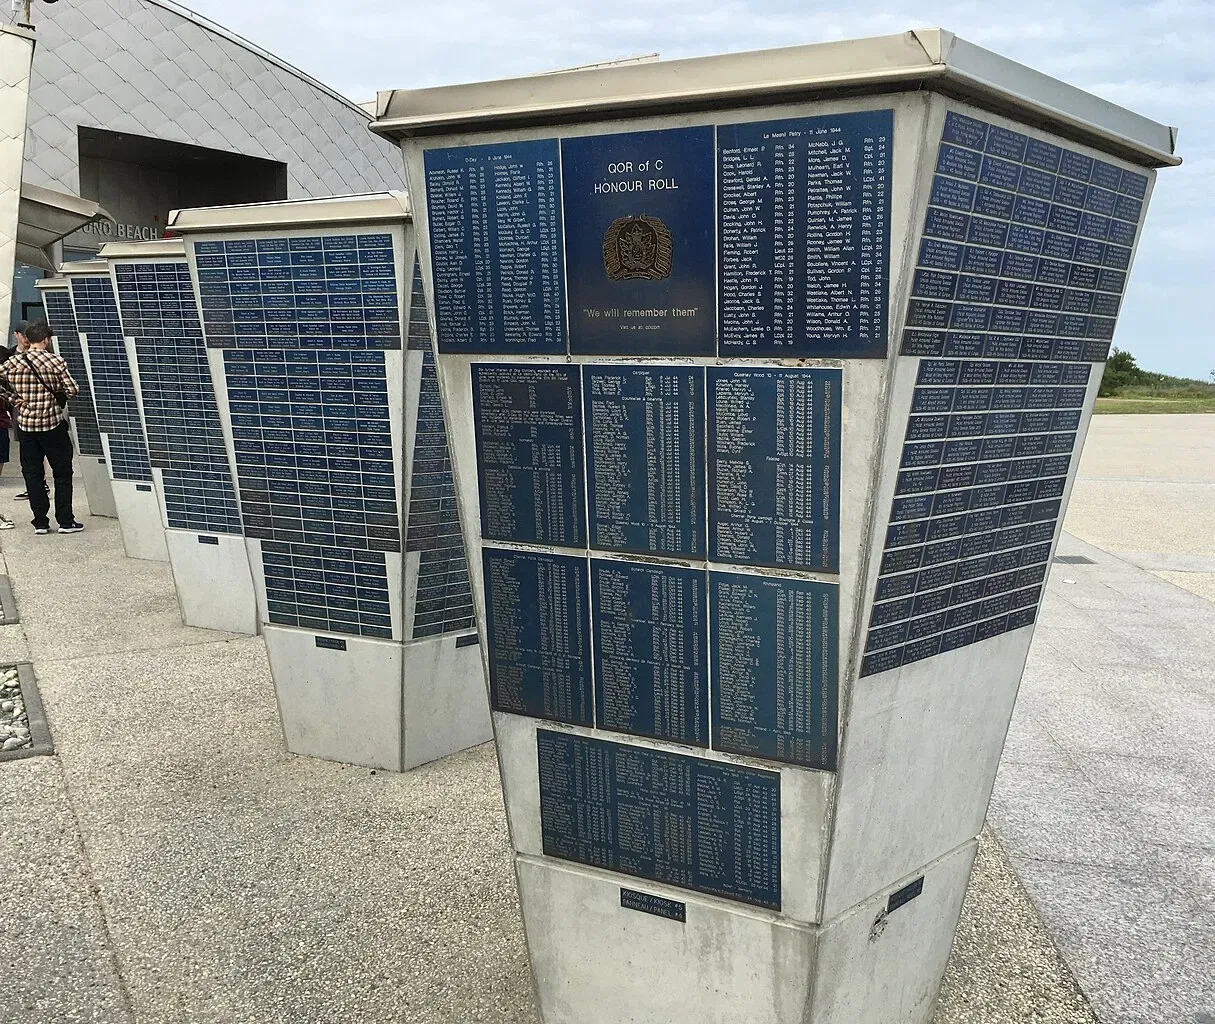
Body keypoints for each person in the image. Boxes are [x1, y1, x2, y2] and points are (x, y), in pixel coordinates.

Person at [0, 322, 83, 534]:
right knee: (62, 472)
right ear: (46, 339)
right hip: (52, 424)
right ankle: (65, 520)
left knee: (32, 473)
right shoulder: (55, 360)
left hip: (26, 425)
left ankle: (40, 522)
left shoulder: (14, 361)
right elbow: (72, 390)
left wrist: (13, 398)